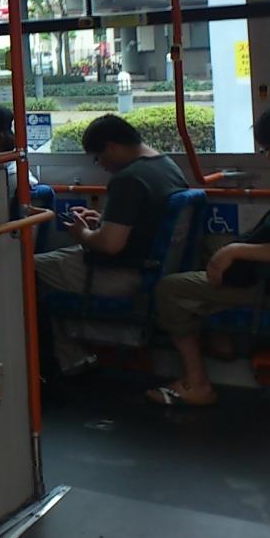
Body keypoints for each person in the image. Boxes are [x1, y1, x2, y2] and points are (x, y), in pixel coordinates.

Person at [148, 103, 270, 407]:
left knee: (170, 289)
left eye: (268, 151)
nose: (267, 158)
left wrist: (236, 250)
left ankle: (196, 383)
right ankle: (219, 338)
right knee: (211, 245)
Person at [34, 114, 189, 374]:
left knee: (24, 269)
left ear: (112, 147)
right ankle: (69, 357)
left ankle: (61, 361)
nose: (101, 165)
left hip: (121, 274)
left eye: (98, 157)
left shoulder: (128, 179)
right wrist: (102, 222)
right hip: (156, 268)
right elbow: (141, 224)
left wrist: (81, 233)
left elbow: (110, 246)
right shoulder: (167, 166)